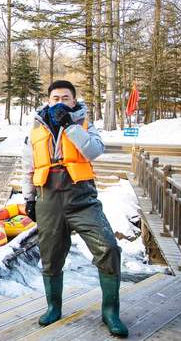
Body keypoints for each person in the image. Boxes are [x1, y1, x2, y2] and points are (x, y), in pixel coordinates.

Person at [21, 80, 128, 338]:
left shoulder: (84, 123)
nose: (59, 102)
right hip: (48, 198)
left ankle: (110, 312)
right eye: (55, 97)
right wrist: (29, 198)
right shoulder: (35, 127)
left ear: (74, 101)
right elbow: (27, 165)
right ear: (48, 100)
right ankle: (53, 307)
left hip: (82, 197)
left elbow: (94, 151)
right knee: (51, 255)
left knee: (109, 248)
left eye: (65, 98)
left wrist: (69, 125)